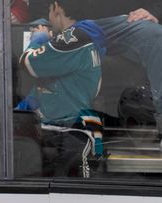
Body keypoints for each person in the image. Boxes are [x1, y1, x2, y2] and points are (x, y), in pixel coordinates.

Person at [30, 0, 162, 157]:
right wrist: (43, 22)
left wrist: (153, 10)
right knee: (32, 37)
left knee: (156, 34)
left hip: (116, 23)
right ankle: (34, 126)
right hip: (61, 18)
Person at [18, 1, 106, 177]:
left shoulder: (73, 38)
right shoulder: (86, 35)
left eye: (49, 12)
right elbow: (55, 79)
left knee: (75, 194)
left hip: (69, 130)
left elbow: (28, 62)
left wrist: (39, 39)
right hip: (74, 126)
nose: (49, 19)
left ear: (57, 8)